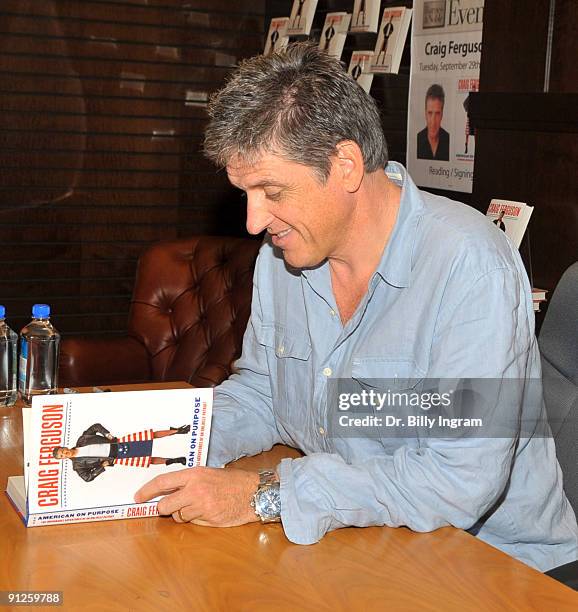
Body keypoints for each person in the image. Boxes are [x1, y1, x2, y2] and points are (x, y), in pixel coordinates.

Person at [134, 43, 578, 572]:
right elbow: (262, 393)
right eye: (245, 194)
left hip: (496, 565)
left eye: (271, 190)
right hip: (366, 540)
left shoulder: (469, 265)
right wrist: (157, 442)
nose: (253, 222)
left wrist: (262, 497)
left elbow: (459, 480)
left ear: (345, 165)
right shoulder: (284, 255)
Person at [53, 423, 190, 482]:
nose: (65, 454)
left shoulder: (82, 440)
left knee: (149, 435)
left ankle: (177, 430)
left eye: (62, 451)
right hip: (116, 457)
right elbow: (87, 478)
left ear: (64, 447)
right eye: (62, 456)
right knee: (148, 460)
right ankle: (173, 460)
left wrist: (107, 434)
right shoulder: (78, 466)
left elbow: (96, 426)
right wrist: (102, 466)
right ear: (63, 459)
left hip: (117, 442)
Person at [417, 84, 450, 161]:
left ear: (442, 114)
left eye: (437, 113)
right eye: (430, 113)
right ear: (425, 113)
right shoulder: (417, 139)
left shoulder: (448, 140)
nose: (433, 121)